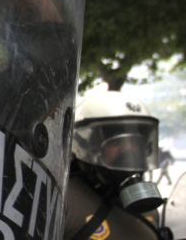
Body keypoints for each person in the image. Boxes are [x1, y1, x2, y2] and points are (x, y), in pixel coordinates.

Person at [64, 91, 172, 240]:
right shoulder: (63, 202)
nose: (129, 149)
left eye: (136, 142)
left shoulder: (147, 209)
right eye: (115, 141)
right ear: (87, 146)